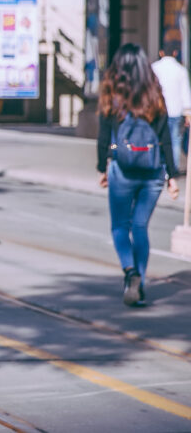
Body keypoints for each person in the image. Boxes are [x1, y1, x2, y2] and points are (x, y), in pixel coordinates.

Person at [97, 43, 180, 307]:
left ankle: (129, 272)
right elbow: (165, 137)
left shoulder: (112, 93)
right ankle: (140, 283)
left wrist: (105, 164)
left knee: (120, 226)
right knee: (141, 226)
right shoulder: (154, 93)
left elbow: (104, 137)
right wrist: (172, 175)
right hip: (152, 171)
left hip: (122, 169)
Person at [151, 45, 191, 172]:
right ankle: (172, 170)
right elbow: (185, 92)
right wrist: (187, 113)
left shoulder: (154, 68)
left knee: (158, 139)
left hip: (158, 110)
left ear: (161, 52)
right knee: (175, 140)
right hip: (176, 111)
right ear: (175, 53)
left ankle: (159, 165)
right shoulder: (181, 70)